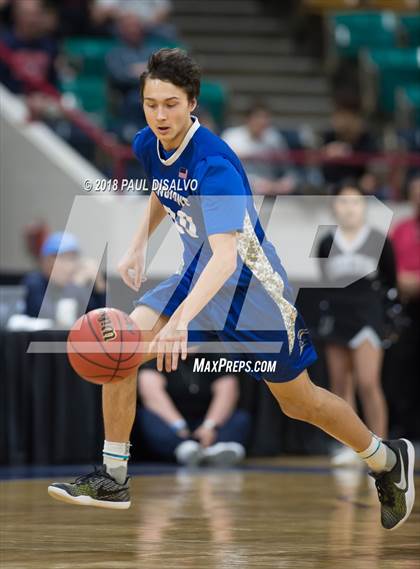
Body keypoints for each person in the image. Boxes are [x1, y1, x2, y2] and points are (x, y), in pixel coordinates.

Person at [48, 49, 415, 531]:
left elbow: (226, 258)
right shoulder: (146, 143)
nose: (159, 115)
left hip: (253, 294)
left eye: (171, 104)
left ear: (192, 103)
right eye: (151, 103)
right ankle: (115, 475)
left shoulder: (216, 164)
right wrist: (138, 243)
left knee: (298, 401)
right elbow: (164, 188)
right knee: (120, 346)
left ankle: (385, 459)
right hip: (195, 278)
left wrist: (180, 321)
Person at [316, 181, 397, 466]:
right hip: (338, 314)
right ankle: (350, 446)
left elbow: (390, 280)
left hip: (367, 316)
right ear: (333, 207)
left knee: (367, 381)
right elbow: (323, 280)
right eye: (343, 202)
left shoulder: (379, 239)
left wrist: (386, 319)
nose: (349, 208)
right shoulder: (327, 242)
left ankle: (382, 444)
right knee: (340, 385)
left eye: (355, 202)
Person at [137, 356, 250, 467]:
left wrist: (209, 426)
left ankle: (217, 449)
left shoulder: (216, 355)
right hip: (171, 423)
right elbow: (151, 394)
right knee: (147, 417)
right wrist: (178, 425)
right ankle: (184, 450)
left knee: (240, 417)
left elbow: (227, 393)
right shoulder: (157, 357)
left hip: (205, 421)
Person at [22, 232, 106, 321]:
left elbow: (100, 319)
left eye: (75, 259)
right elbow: (53, 316)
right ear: (49, 261)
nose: (73, 266)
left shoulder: (80, 284)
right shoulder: (34, 283)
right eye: (68, 259)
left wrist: (100, 287)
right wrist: (75, 286)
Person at [221, 103, 296, 195]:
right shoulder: (231, 137)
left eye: (265, 118)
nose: (262, 121)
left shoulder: (274, 138)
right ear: (248, 119)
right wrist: (256, 184)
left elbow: (287, 167)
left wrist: (284, 183)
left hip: (271, 191)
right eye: (258, 117)